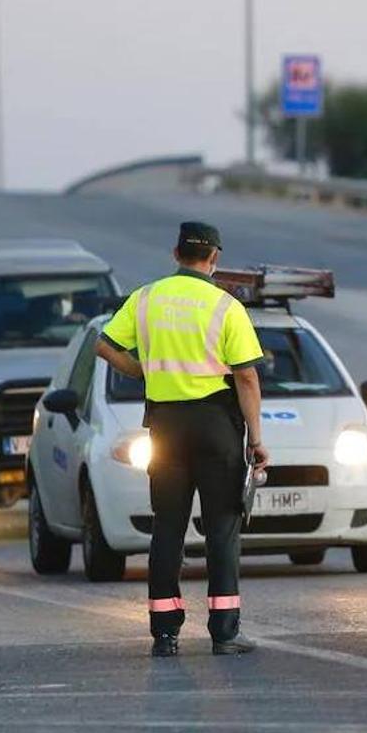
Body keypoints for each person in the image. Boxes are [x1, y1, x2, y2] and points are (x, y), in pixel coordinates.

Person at [95, 222, 269, 658]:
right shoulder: (226, 306)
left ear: (175, 253)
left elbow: (104, 345)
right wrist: (256, 439)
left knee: (168, 528)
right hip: (216, 426)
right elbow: (246, 375)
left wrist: (138, 370)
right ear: (214, 259)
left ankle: (165, 633)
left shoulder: (146, 298)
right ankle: (225, 633)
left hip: (166, 427)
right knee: (221, 530)